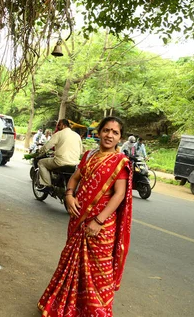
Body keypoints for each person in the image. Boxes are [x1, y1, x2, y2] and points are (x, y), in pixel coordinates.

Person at [38, 116, 133, 316]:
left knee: (98, 273)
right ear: (99, 132)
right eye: (106, 130)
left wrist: (98, 221)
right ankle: (68, 307)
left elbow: (119, 194)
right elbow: (75, 177)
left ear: (120, 138)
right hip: (79, 218)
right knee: (73, 265)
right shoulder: (89, 155)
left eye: (115, 132)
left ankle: (95, 311)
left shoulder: (119, 162)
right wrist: (69, 195)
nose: (109, 135)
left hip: (102, 226)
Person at [37, 119, 84, 187]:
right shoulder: (77, 136)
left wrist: (39, 152)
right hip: (75, 163)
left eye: (59, 125)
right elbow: (80, 151)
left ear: (63, 125)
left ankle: (47, 185)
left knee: (41, 162)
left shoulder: (59, 134)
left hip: (61, 162)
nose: (57, 127)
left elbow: (47, 146)